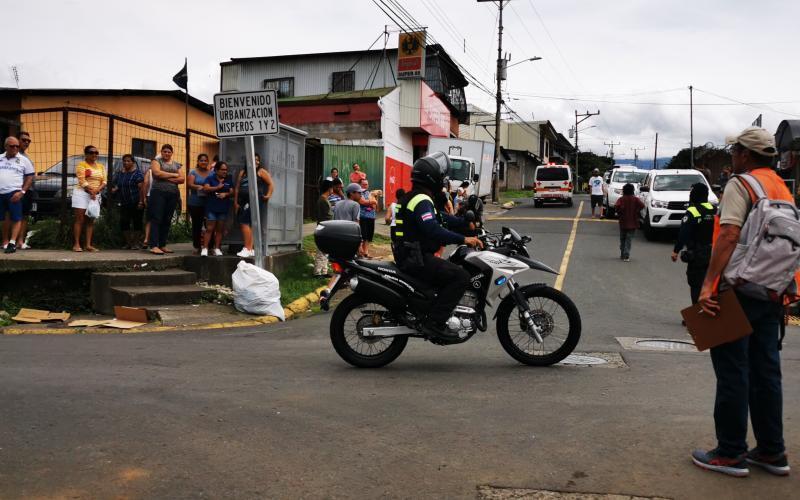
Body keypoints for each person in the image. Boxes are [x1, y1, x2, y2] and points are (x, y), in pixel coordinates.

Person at [693, 127, 791, 477]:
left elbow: (730, 233)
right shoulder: (782, 188)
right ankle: (771, 451)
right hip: (771, 291)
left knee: (732, 370)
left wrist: (708, 285)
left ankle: (730, 452)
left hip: (735, 289)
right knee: (766, 372)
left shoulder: (742, 184)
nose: (731, 156)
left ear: (746, 155)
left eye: (734, 150)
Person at [392, 152, 483, 339]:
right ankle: (435, 322)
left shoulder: (416, 197)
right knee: (461, 276)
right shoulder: (422, 200)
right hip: (415, 258)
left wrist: (468, 226)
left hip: (409, 254)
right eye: (441, 177)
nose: (443, 180)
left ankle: (434, 309)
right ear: (431, 177)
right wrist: (463, 239)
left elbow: (442, 218)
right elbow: (432, 229)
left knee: (450, 270)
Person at [671, 183, 716, 304]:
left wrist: (676, 250)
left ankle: (696, 315)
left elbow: (684, 233)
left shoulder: (692, 211)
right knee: (711, 283)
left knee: (696, 284)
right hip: (714, 252)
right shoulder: (714, 209)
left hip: (697, 254)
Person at [321, 183, 364, 300]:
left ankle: (327, 292)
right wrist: (360, 243)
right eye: (358, 192)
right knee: (357, 268)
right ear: (352, 193)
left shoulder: (338, 204)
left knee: (338, 271)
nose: (360, 194)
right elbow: (356, 224)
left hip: (337, 240)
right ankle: (359, 297)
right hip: (349, 240)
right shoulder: (355, 205)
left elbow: (334, 220)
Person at [233, 154, 274, 258]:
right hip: (243, 201)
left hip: (254, 200)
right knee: (247, 224)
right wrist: (236, 202)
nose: (256, 161)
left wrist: (268, 195)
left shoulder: (261, 171)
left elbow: (271, 184)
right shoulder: (243, 172)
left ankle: (247, 248)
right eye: (253, 159)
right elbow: (237, 188)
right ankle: (250, 249)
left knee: (244, 223)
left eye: (257, 160)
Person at [147, 144, 184, 255]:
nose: (167, 153)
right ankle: (153, 245)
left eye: (169, 152)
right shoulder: (156, 161)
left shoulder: (177, 164)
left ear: (172, 153)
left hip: (173, 194)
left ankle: (162, 245)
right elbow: (157, 173)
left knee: (167, 220)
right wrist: (174, 175)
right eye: (165, 151)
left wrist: (166, 177)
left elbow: (182, 179)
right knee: (156, 218)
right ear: (161, 152)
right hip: (158, 193)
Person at [0, 136, 34, 254]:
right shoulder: (0, 158)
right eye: (12, 146)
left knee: (16, 217)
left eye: (16, 146)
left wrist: (22, 191)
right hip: (0, 192)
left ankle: (12, 243)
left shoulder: (24, 160)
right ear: (5, 147)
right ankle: (4, 241)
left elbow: (30, 176)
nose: (15, 148)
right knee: (3, 218)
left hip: (14, 192)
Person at [72, 145, 107, 252]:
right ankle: (76, 244)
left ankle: (88, 245)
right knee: (80, 219)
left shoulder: (101, 166)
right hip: (82, 194)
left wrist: (96, 191)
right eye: (91, 152)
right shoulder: (81, 165)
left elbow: (104, 181)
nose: (94, 155)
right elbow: (82, 180)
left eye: (96, 153)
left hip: (95, 195)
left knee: (91, 220)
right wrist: (91, 191)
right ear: (86, 154)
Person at [110, 154, 145, 249]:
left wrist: (141, 202)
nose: (126, 163)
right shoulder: (121, 173)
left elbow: (142, 189)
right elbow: (119, 184)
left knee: (137, 222)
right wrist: (115, 189)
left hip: (136, 201)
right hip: (124, 202)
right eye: (124, 161)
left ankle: (136, 243)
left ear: (133, 162)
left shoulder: (138, 174)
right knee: (124, 222)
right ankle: (129, 242)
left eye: (128, 161)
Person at [200, 162, 233, 257]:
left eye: (226, 170)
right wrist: (217, 188)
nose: (225, 171)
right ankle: (205, 248)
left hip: (223, 207)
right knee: (209, 228)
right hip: (211, 207)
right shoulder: (210, 178)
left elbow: (232, 191)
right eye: (222, 170)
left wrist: (226, 194)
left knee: (219, 229)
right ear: (216, 170)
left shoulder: (228, 178)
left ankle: (217, 248)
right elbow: (205, 188)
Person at [187, 153, 211, 254]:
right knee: (197, 225)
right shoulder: (193, 172)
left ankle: (209, 247)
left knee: (209, 225)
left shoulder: (211, 173)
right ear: (198, 162)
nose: (203, 162)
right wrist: (198, 187)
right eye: (201, 160)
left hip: (208, 202)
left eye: (205, 160)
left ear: (208, 162)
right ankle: (197, 247)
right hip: (195, 202)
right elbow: (189, 184)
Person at [614, 183, 645, 262]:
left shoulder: (621, 199)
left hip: (623, 222)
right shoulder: (635, 199)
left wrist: (620, 212)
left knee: (622, 238)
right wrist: (636, 211)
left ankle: (622, 253)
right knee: (629, 239)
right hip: (633, 222)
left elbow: (616, 207)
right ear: (632, 190)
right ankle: (626, 255)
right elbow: (642, 205)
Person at [313, 179, 333, 277]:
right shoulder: (323, 200)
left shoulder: (323, 199)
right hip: (324, 228)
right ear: (329, 189)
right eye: (332, 188)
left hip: (325, 228)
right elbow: (327, 216)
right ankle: (317, 272)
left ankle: (324, 271)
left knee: (325, 251)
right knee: (321, 251)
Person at [358, 178, 377, 258]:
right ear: (360, 185)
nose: (365, 186)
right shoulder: (359, 193)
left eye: (366, 184)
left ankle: (366, 252)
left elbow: (375, 206)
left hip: (371, 216)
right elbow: (362, 202)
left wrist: (372, 201)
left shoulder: (370, 193)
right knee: (363, 235)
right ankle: (360, 252)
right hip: (363, 217)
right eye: (363, 184)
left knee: (368, 236)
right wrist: (371, 201)